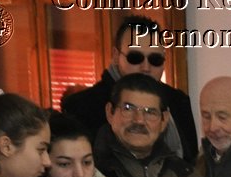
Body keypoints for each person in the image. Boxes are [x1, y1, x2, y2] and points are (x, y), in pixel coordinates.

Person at [62, 16, 198, 165]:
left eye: (155, 60)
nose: (146, 67)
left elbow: (191, 162)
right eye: (135, 57)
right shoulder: (81, 106)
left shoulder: (178, 101)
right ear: (115, 56)